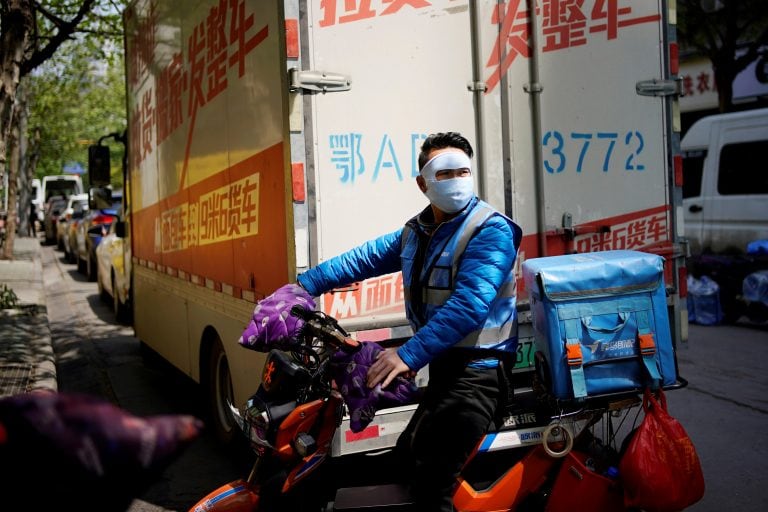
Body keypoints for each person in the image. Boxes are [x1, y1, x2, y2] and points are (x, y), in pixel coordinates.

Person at [296, 132, 522, 511]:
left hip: (479, 376)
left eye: (462, 171)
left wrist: (408, 354)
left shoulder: (490, 230)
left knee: (432, 483)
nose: (455, 180)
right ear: (423, 183)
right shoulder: (418, 232)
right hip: (447, 371)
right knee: (406, 460)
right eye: (443, 173)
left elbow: (469, 305)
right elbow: (362, 260)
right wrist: (302, 287)